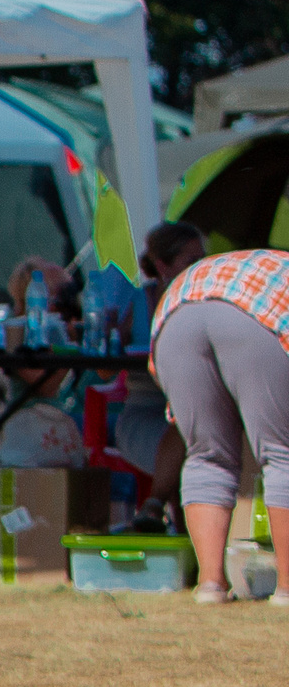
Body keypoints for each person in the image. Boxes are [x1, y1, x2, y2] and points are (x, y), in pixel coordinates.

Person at [149, 246, 289, 605]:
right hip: (257, 313)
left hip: (176, 314)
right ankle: (287, 589)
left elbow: (155, 370)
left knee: (206, 456)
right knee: (282, 454)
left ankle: (210, 585)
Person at [113, 221, 205, 534]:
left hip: (191, 415)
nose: (201, 268)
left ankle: (155, 509)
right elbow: (104, 369)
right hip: (146, 413)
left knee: (194, 425)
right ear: (163, 266)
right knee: (191, 431)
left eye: (203, 259)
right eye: (191, 261)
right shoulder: (138, 303)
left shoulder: (204, 303)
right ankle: (159, 512)